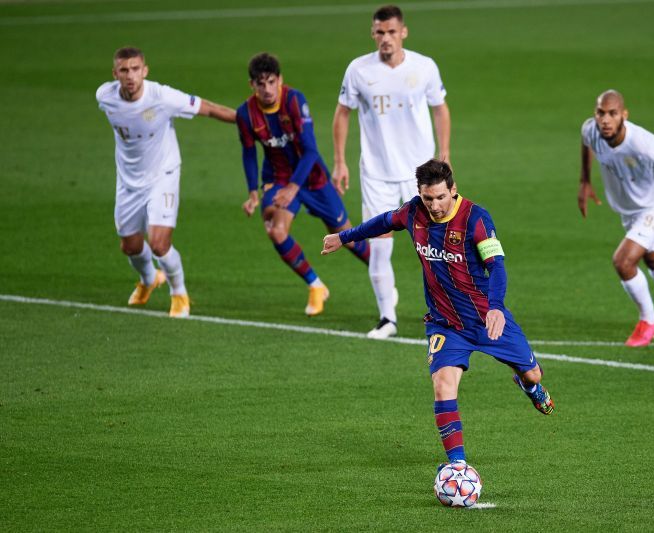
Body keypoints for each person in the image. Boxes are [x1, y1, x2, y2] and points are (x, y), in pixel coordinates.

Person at [322, 159, 553, 467]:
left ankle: (529, 385)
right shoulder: (413, 212)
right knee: (443, 386)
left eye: (441, 197)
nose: (435, 205)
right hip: (445, 325)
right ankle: (458, 466)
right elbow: (383, 222)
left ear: (453, 190)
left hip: (487, 320)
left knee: (533, 372)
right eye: (428, 198)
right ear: (420, 193)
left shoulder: (476, 219)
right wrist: (344, 236)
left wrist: (496, 307)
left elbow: (496, 266)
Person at [332, 4, 451, 338]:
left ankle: (446, 311)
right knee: (380, 246)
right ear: (373, 34)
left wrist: (445, 154)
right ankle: (388, 318)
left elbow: (440, 109)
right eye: (379, 32)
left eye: (391, 32)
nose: (386, 38)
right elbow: (342, 113)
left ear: (403, 32)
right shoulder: (358, 70)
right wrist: (340, 161)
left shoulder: (424, 67)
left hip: (423, 177)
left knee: (436, 245)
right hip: (377, 173)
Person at [97, 47, 236, 317]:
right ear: (115, 74)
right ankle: (150, 279)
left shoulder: (162, 97)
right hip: (128, 182)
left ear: (145, 71)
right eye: (124, 70)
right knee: (130, 246)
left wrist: (249, 122)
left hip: (163, 175)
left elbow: (207, 108)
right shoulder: (105, 96)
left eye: (136, 69)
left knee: (159, 243)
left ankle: (179, 292)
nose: (130, 76)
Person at [236, 53, 370, 316]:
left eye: (271, 82)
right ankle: (316, 285)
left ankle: (381, 276)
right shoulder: (246, 114)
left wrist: (292, 189)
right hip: (278, 179)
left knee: (346, 236)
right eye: (260, 84)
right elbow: (249, 153)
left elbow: (310, 152)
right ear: (252, 85)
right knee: (276, 230)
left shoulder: (294, 101)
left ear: (280, 80)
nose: (267, 89)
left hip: (312, 178)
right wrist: (253, 191)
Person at [578, 89, 654, 347]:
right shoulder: (591, 130)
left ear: (624, 115)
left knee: (623, 261)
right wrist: (585, 180)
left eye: (612, 114)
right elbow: (586, 142)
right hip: (631, 209)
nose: (605, 120)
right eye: (601, 113)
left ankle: (648, 321)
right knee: (653, 255)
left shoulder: (643, 143)